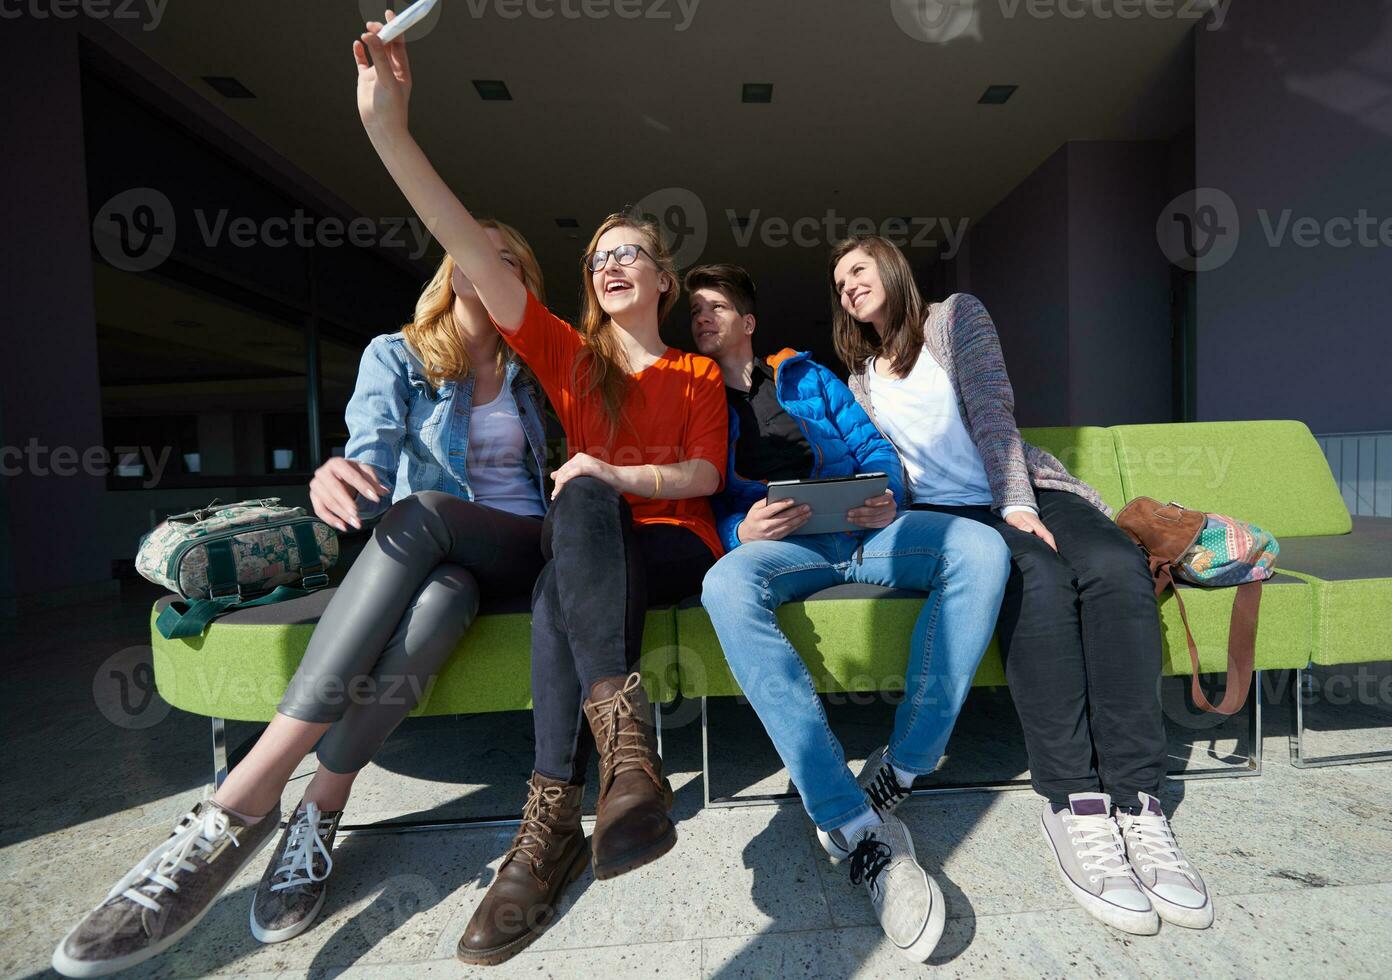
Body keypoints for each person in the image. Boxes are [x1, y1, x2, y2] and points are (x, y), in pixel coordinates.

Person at [52, 219, 556, 978]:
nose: (490, 268)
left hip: (522, 547)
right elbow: (372, 451)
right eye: (476, 256)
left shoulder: (542, 369)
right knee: (442, 602)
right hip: (442, 565)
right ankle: (317, 810)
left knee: (422, 517)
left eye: (508, 260)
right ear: (451, 271)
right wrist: (340, 475)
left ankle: (241, 800)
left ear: (525, 283)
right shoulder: (399, 356)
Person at [352, 16, 729, 965]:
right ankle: (603, 778)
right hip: (592, 555)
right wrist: (389, 131)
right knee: (568, 557)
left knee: (585, 496)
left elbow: (703, 476)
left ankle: (557, 820)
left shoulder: (693, 372)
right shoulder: (568, 355)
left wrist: (609, 469)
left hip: (675, 547)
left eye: (627, 251)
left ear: (662, 277)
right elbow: (467, 250)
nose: (607, 263)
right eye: (596, 255)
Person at [833, 235, 1215, 935]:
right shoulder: (859, 377)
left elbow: (991, 410)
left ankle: (1137, 799)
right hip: (953, 517)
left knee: (1114, 568)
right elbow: (884, 466)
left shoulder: (953, 317)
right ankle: (1075, 804)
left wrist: (1015, 500)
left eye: (857, 269)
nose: (847, 286)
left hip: (1022, 487)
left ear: (891, 266)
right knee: (1034, 580)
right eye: (837, 282)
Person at [688, 263, 1010, 963]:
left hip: (863, 531)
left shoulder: (807, 377)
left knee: (980, 549)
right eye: (693, 313)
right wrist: (743, 529)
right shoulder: (690, 393)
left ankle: (906, 760)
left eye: (715, 308)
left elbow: (871, 449)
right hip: (782, 549)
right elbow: (702, 496)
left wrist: (883, 497)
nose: (702, 319)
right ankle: (843, 814)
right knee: (723, 585)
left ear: (747, 323)